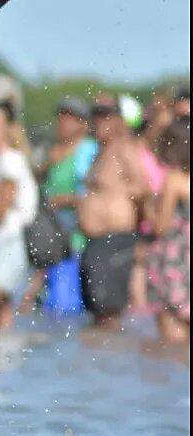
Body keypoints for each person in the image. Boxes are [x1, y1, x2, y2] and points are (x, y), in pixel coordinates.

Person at [20, 98, 98, 314]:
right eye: (60, 117)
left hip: (76, 233)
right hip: (52, 231)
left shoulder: (88, 150)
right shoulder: (54, 151)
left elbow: (95, 192)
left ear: (83, 124)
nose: (61, 122)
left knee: (67, 300)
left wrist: (66, 199)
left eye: (69, 118)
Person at [77, 101, 150, 329]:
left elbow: (143, 187)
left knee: (109, 311)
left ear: (117, 122)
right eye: (96, 118)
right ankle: (102, 363)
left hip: (116, 238)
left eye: (105, 118)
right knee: (96, 310)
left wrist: (116, 192)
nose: (99, 123)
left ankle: (114, 360)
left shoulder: (123, 148)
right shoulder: (99, 151)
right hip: (97, 240)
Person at [0, 101, 37, 328]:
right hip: (0, 243)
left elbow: (1, 210)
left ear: (7, 128)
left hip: (11, 243)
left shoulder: (10, 160)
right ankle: (6, 361)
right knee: (1, 317)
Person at [145, 118, 190, 343]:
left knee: (173, 343)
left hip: (174, 264)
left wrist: (147, 206)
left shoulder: (174, 180)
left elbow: (161, 227)